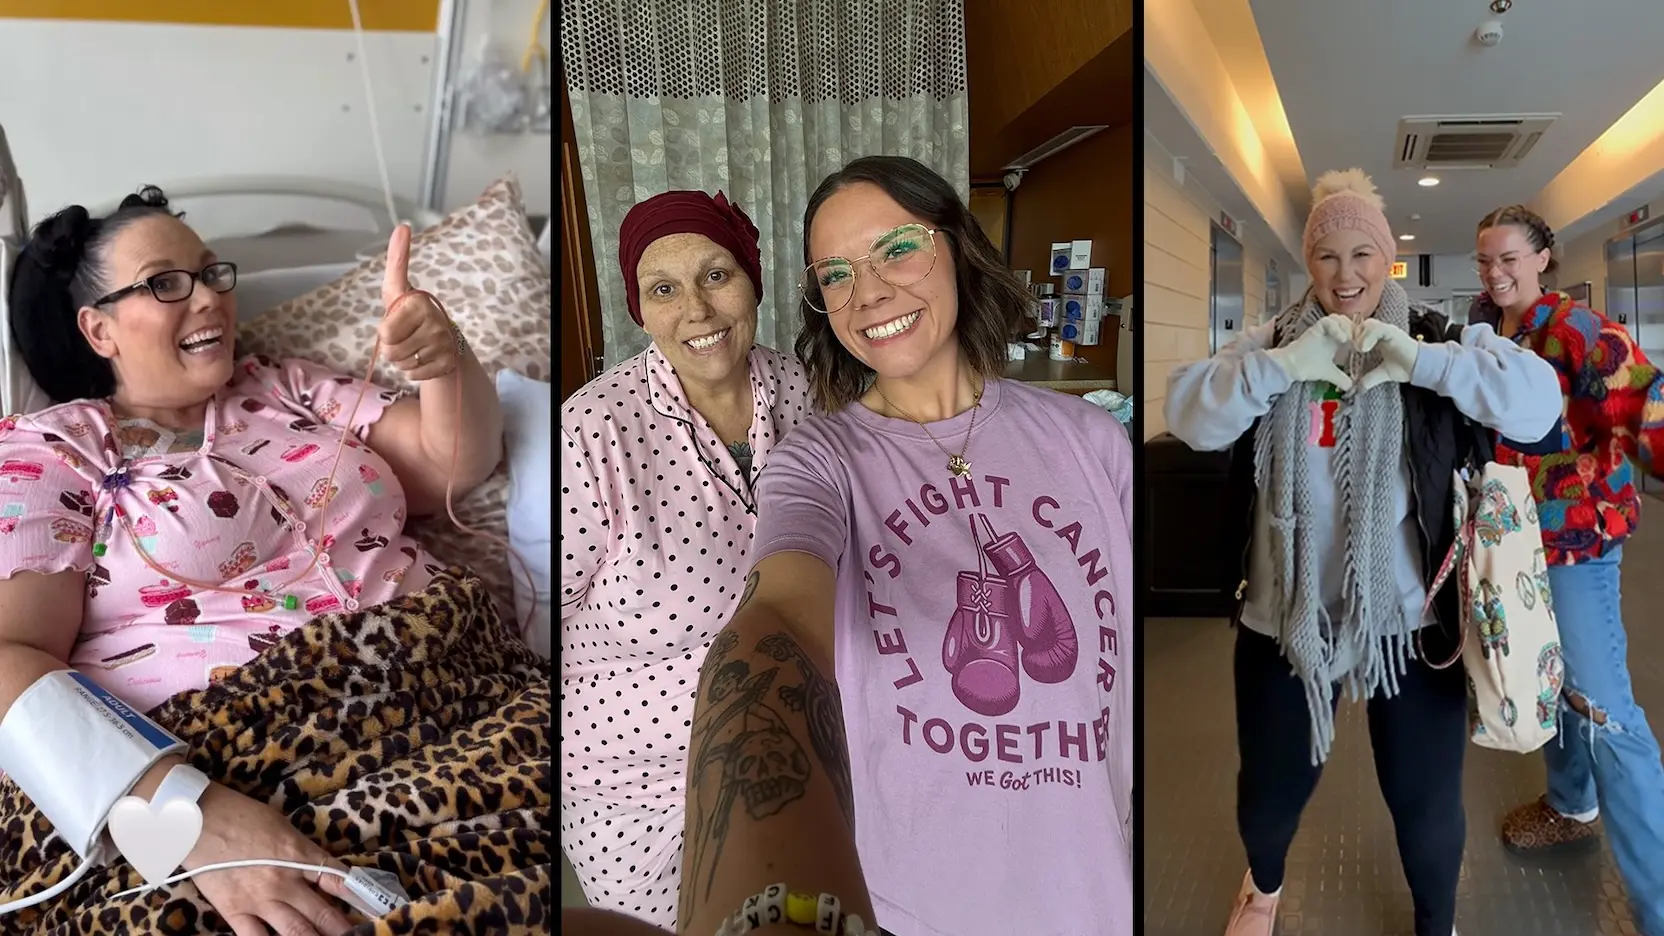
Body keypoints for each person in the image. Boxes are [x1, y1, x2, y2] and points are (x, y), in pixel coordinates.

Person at [0, 186, 503, 934]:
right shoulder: (54, 450)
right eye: (168, 283)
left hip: (464, 700)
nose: (207, 297)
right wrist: (186, 817)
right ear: (98, 328)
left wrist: (444, 359)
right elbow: (12, 656)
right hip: (244, 760)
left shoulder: (286, 387)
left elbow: (449, 465)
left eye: (211, 273)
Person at [676, 155, 1135, 936]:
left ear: (957, 245)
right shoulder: (818, 461)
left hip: (1098, 893)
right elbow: (779, 613)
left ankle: (1001, 594)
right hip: (915, 911)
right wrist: (745, 889)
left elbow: (1121, 684)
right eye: (836, 274)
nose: (870, 293)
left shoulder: (1093, 442)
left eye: (898, 248)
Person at [1163, 169, 1561, 936]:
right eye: (1327, 258)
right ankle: (1266, 884)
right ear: (1308, 265)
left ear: (1388, 260)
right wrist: (1284, 368)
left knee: (1425, 802)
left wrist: (1419, 363)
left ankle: (1435, 922)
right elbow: (1192, 415)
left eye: (1363, 256)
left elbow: (1538, 406)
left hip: (1411, 627)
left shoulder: (1442, 340)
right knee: (1270, 794)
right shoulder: (1270, 343)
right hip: (1284, 621)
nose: (1346, 277)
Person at [560, 190, 813, 928]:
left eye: (716, 275)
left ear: (753, 282)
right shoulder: (592, 434)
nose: (697, 310)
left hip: (780, 753)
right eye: (663, 289)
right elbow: (540, 615)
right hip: (631, 783)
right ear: (639, 309)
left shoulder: (799, 389)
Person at [1471, 204, 1664, 936]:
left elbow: (1645, 397)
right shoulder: (1492, 334)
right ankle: (1569, 804)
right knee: (1542, 680)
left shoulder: (1575, 330)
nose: (1496, 272)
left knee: (1606, 711)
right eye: (1486, 260)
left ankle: (1657, 908)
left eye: (1510, 257)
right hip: (1514, 546)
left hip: (1577, 545)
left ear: (1542, 257)